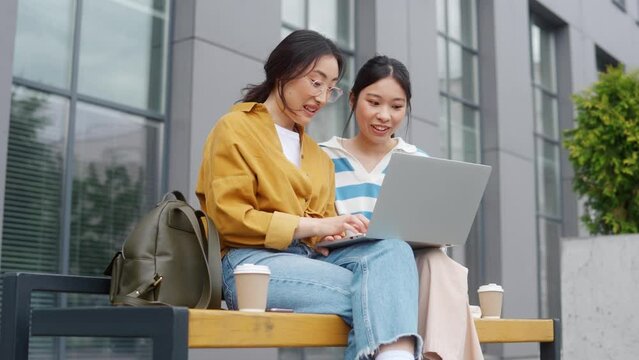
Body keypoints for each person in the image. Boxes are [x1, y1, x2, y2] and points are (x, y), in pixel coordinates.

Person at [196, 30, 423, 360]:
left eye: (330, 88)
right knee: (385, 296)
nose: (321, 96)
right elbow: (229, 219)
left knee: (392, 249)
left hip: (309, 261)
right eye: (316, 82)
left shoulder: (316, 155)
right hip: (250, 268)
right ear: (284, 70)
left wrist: (336, 232)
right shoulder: (235, 128)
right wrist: (313, 227)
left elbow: (320, 232)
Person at [319, 55, 484, 360]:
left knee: (437, 261)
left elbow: (430, 233)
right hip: (345, 267)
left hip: (409, 269)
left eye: (396, 107)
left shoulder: (416, 159)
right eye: (374, 102)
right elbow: (312, 229)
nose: (384, 116)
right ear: (353, 99)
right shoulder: (321, 158)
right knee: (430, 269)